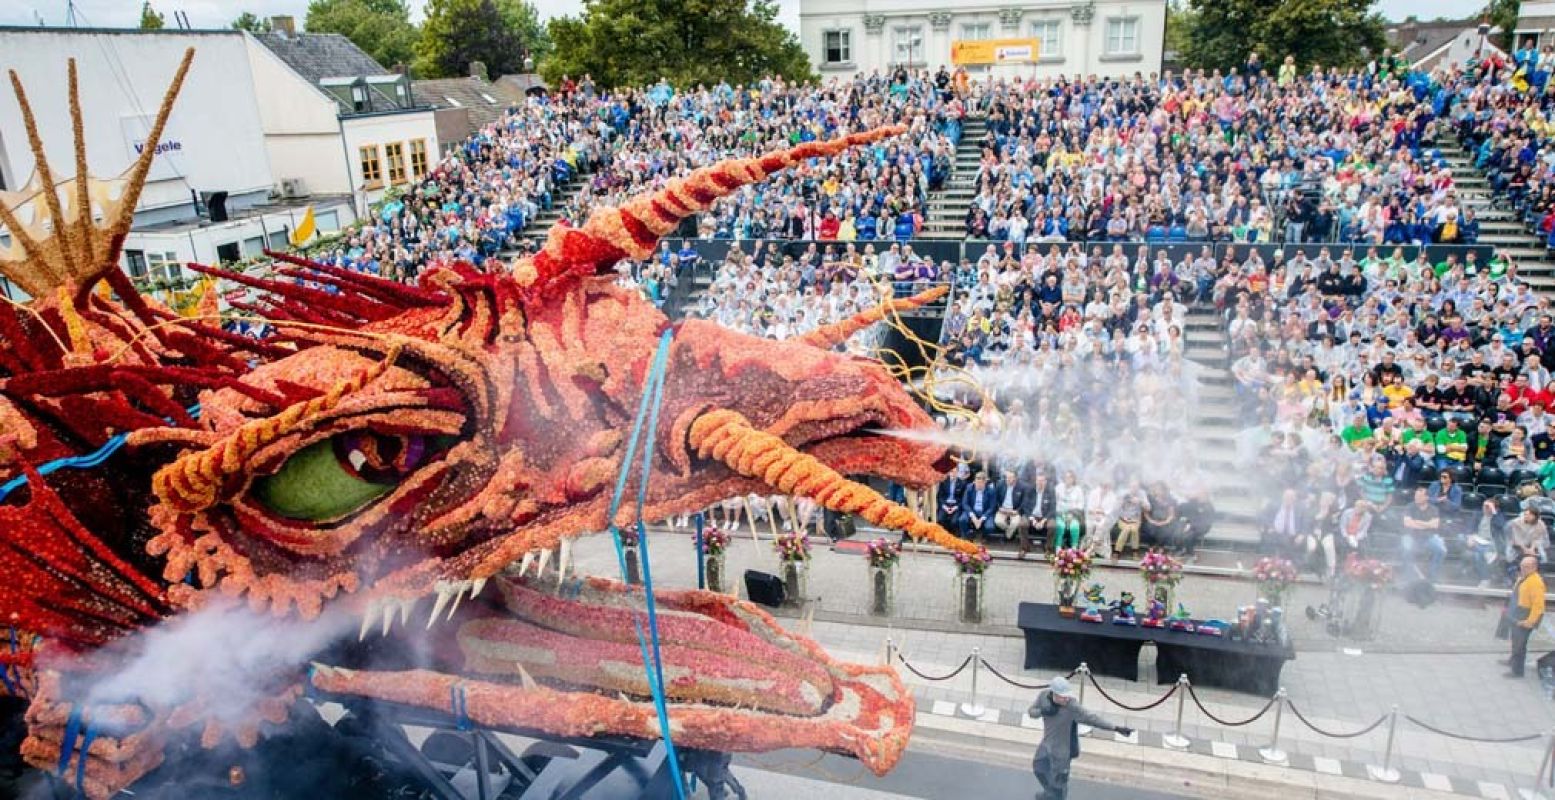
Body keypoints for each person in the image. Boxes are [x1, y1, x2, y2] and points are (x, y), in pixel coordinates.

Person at [1028, 676, 1132, 800]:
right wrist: (1043, 711)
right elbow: (1031, 712)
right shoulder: (1043, 696)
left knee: (1059, 785)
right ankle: (1049, 793)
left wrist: (1115, 728)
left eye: (1067, 695)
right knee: (1039, 769)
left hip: (1062, 753)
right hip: (1045, 746)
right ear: (1054, 694)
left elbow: (1092, 718)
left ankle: (1055, 796)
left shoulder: (1072, 707)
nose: (1067, 698)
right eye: (1063, 696)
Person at [1505, 555, 1546, 678]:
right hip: (1519, 611)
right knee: (1515, 640)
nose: (1522, 569)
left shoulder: (1536, 582)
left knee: (1520, 644)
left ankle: (1517, 671)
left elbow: (1538, 606)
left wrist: (1529, 621)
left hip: (1527, 615)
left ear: (1534, 567)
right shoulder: (1525, 577)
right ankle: (1513, 661)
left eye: (1526, 567)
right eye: (1522, 566)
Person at [959, 471, 999, 542]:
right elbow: (965, 503)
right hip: (972, 510)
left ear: (985, 483)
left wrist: (981, 519)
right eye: (976, 483)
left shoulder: (991, 491)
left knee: (990, 527)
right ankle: (967, 535)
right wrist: (973, 516)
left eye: (980, 484)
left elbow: (992, 507)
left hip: (985, 512)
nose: (978, 486)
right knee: (962, 520)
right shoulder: (969, 487)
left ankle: (984, 536)